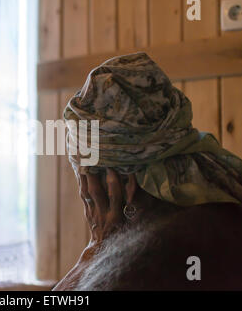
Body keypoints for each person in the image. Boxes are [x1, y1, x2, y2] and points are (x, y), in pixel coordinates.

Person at [53, 52, 242, 290]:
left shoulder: (135, 265)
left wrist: (92, 256)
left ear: (121, 186)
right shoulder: (226, 203)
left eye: (85, 182)